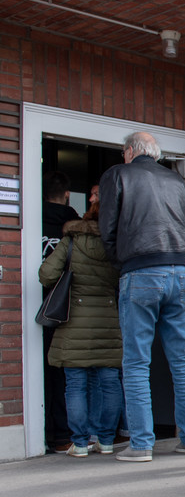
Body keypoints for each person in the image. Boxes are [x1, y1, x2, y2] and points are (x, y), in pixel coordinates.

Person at [99, 132, 185, 463]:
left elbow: (109, 228)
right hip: (180, 272)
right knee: (182, 360)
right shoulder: (176, 181)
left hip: (141, 272)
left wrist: (122, 261)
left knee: (135, 361)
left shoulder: (118, 174)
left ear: (130, 151)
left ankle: (142, 444)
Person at [39, 202, 123, 457]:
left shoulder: (71, 242)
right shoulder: (116, 245)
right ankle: (106, 440)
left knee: (75, 384)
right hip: (109, 323)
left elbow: (46, 274)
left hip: (74, 323)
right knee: (110, 383)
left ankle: (79, 443)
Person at [42, 171, 80, 454]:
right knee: (73, 374)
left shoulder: (33, 216)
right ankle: (72, 436)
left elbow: (46, 274)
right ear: (67, 194)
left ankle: (52, 435)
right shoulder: (76, 227)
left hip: (43, 306)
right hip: (72, 307)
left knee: (47, 371)